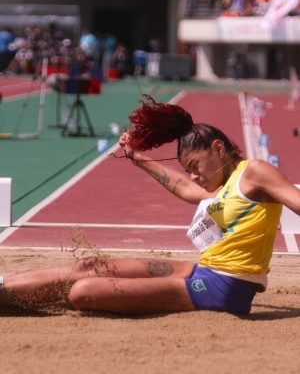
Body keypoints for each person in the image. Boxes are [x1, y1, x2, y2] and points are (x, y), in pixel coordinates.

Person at [1, 95, 300, 316]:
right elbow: (184, 187)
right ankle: (4, 287)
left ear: (218, 149)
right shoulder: (224, 189)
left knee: (85, 291)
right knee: (90, 267)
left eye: (196, 166)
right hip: (202, 272)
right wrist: (137, 157)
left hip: (225, 290)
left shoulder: (255, 172)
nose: (194, 176)